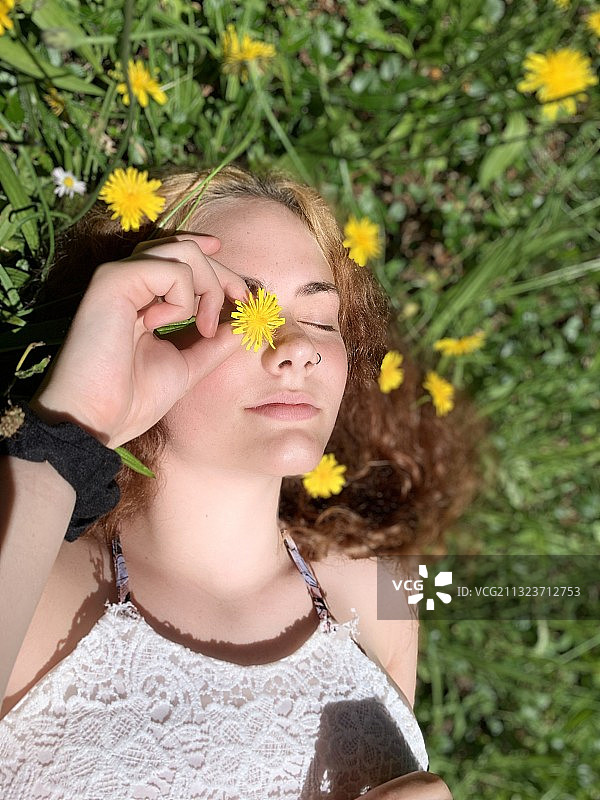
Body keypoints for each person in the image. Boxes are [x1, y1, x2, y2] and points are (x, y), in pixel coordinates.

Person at [0, 163, 478, 798]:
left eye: (322, 316)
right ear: (132, 335)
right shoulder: (34, 585)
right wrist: (80, 420)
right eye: (241, 311)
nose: (298, 345)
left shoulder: (383, 597)